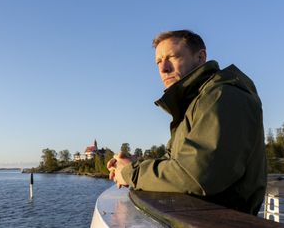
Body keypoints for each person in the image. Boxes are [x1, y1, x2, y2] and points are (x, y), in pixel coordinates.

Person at [107, 30, 267, 215]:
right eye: (158, 62)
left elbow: (196, 175)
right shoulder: (196, 102)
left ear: (200, 57)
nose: (163, 68)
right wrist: (134, 163)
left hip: (222, 220)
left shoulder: (222, 96)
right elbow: (178, 162)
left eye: (172, 57)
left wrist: (129, 173)